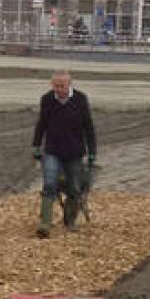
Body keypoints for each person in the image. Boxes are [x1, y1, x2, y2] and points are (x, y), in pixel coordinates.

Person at [31, 68, 97, 237]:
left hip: (74, 151)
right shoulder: (47, 99)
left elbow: (89, 127)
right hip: (52, 150)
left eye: (62, 86)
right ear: (52, 85)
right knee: (50, 185)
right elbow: (41, 123)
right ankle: (45, 223)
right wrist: (36, 145)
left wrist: (92, 152)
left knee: (74, 188)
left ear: (69, 84)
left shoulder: (80, 99)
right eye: (56, 86)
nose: (59, 89)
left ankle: (70, 221)